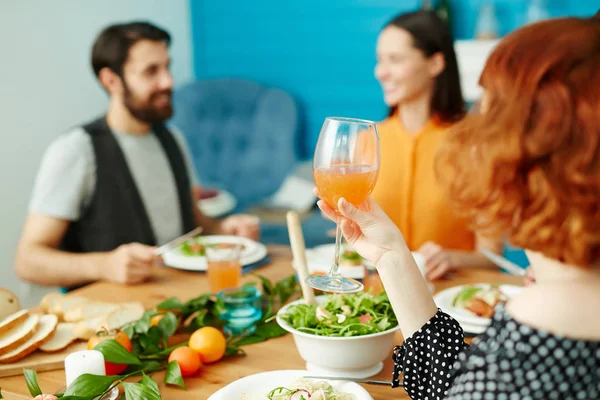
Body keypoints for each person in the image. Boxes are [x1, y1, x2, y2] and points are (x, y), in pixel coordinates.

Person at [317, 15, 600, 399]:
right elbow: (459, 383)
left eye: (492, 114)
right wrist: (392, 257)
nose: (480, 130)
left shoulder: (549, 320)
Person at [15, 22, 259, 288]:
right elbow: (28, 261)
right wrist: (103, 265)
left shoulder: (172, 138)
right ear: (111, 80)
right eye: (151, 72)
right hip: (113, 315)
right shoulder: (76, 150)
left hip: (180, 297)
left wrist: (224, 230)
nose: (168, 81)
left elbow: (194, 221)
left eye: (167, 67)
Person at [372, 10, 502, 280]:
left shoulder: (474, 146)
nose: (380, 72)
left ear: (435, 64)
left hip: (447, 304)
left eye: (394, 60)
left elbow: (492, 258)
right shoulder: (367, 142)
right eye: (379, 60)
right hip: (375, 306)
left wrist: (451, 258)